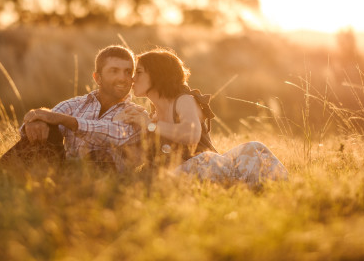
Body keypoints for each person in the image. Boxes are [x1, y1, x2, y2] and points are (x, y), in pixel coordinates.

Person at [115, 48, 288, 186]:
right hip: (175, 177)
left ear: (157, 74)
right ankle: (245, 186)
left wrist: (150, 125)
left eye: (139, 72)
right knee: (205, 162)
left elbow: (190, 135)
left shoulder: (183, 101)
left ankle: (273, 187)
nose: (132, 78)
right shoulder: (151, 113)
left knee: (254, 148)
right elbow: (136, 159)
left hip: (207, 167)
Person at [0, 45, 143, 170]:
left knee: (99, 156)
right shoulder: (75, 105)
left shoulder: (136, 113)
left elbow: (116, 135)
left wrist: (62, 120)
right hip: (63, 172)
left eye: (128, 72)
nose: (123, 78)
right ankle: (0, 173)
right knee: (47, 128)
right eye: (114, 71)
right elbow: (39, 123)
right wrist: (36, 122)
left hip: (102, 180)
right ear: (97, 78)